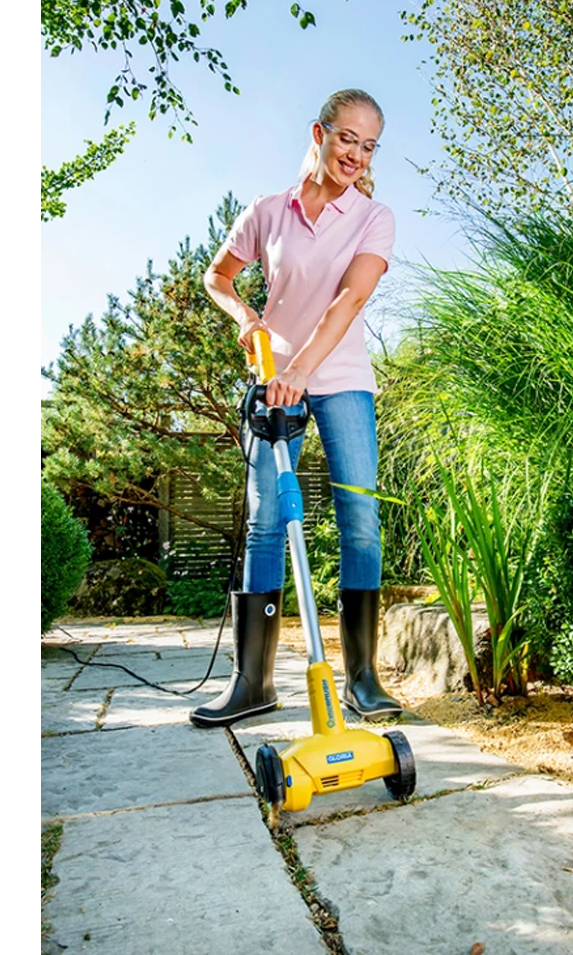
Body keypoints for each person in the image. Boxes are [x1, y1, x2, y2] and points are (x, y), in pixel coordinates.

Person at [189, 88, 403, 728]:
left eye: (368, 147)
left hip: (338, 378)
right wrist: (246, 317)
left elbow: (349, 299)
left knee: (360, 516)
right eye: (347, 139)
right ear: (319, 133)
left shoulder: (373, 216)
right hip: (273, 379)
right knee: (263, 522)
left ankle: (362, 678)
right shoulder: (266, 211)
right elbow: (216, 276)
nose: (356, 156)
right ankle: (252, 682)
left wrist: (304, 371)